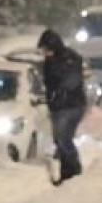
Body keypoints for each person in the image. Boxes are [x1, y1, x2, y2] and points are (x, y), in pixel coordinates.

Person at [38, 29, 87, 183]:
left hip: (71, 105)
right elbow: (48, 82)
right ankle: (67, 172)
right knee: (59, 140)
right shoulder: (49, 61)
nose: (44, 53)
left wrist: (59, 93)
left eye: (46, 49)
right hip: (58, 106)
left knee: (63, 139)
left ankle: (73, 170)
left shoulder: (70, 59)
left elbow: (71, 81)